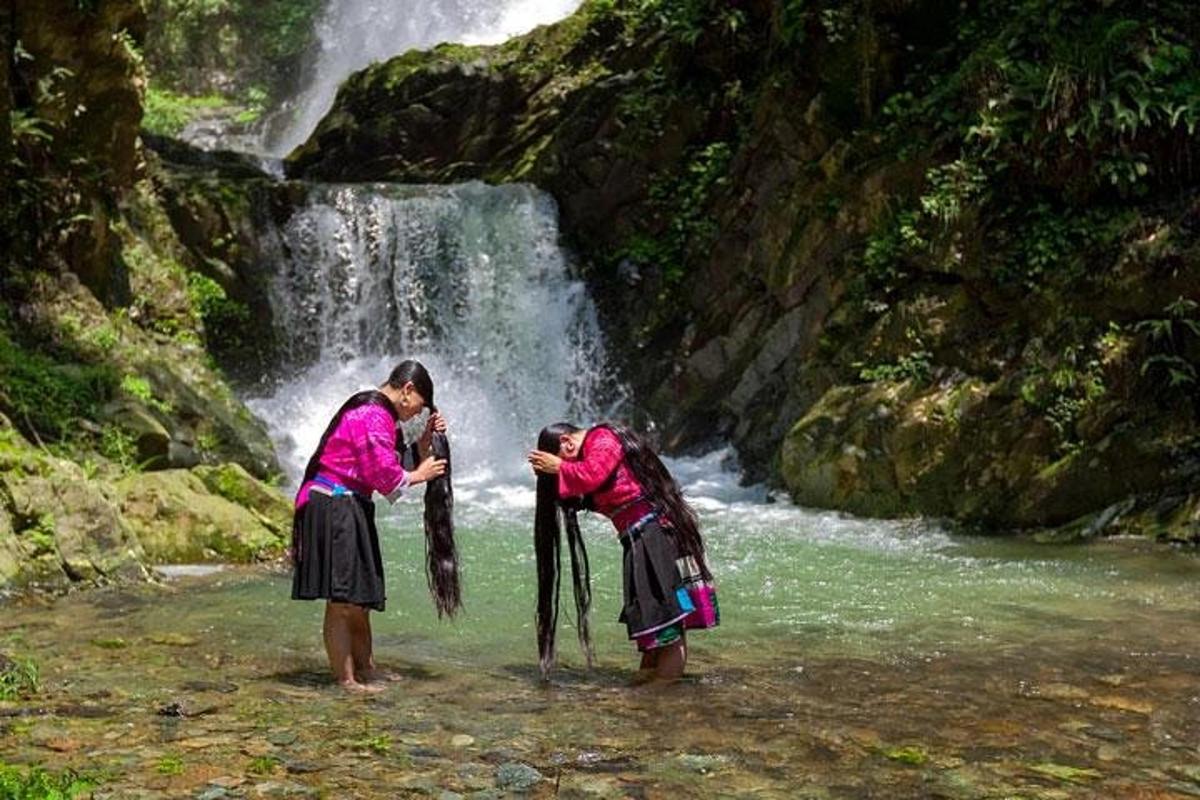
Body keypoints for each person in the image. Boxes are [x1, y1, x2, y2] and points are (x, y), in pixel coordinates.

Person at [292, 360, 447, 692]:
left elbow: (388, 461)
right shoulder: (373, 415)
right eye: (418, 406)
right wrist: (421, 474)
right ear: (407, 390)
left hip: (347, 502)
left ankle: (367, 668)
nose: (415, 414)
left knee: (358, 600)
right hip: (335, 502)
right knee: (342, 600)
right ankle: (347, 680)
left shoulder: (376, 413)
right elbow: (384, 475)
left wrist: (423, 445)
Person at [527, 423, 719, 683]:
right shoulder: (592, 453)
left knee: (668, 624)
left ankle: (662, 695)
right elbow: (582, 490)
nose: (565, 468)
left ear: (567, 443)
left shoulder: (602, 439)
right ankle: (650, 685)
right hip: (641, 536)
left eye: (561, 458)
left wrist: (560, 467)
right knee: (655, 626)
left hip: (654, 533)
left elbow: (592, 474)